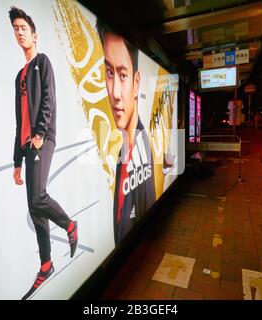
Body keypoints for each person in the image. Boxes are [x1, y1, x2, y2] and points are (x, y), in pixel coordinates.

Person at [9, 6, 78, 300]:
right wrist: (16, 160)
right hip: (26, 146)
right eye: (16, 28)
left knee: (38, 198)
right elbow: (18, 120)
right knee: (35, 208)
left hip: (43, 137)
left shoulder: (42, 62)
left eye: (23, 27)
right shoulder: (19, 77)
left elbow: (48, 98)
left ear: (34, 35)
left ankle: (70, 224)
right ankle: (46, 264)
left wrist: (39, 134)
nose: (19, 31)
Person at [96, 20, 156, 245]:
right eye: (109, 73)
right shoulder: (126, 148)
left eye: (122, 75)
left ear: (137, 82)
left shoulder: (141, 149)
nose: (115, 93)